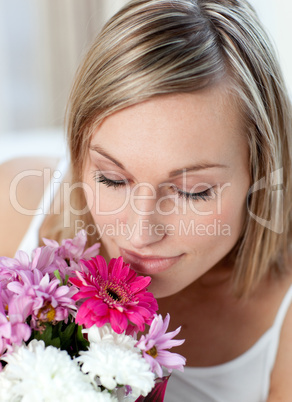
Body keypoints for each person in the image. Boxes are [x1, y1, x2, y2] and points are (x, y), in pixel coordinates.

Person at [1, 0, 292, 400]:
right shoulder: (13, 206)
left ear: (260, 173)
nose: (140, 232)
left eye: (193, 191)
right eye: (112, 179)